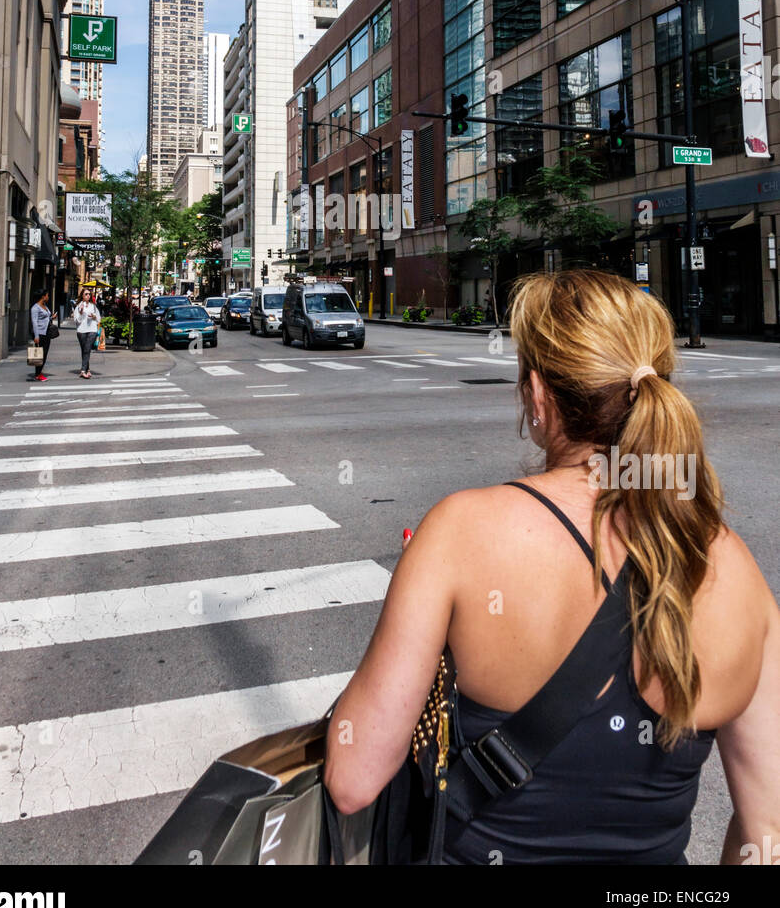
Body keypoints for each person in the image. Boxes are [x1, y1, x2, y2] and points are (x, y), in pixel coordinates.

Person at [324, 269, 779, 865]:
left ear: (539, 396)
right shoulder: (729, 564)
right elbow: (766, 833)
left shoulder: (463, 531)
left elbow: (353, 780)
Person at [72, 286, 101, 379]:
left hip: (92, 329)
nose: (88, 296)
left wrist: (94, 316)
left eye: (89, 294)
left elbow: (98, 319)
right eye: (86, 294)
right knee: (84, 350)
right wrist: (80, 313)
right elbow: (77, 321)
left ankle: (83, 370)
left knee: (87, 349)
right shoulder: (78, 307)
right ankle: (87, 369)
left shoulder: (93, 306)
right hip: (81, 330)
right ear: (82, 296)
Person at [29, 289, 55, 383]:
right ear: (43, 296)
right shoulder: (35, 308)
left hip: (47, 333)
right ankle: (37, 374)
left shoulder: (44, 306)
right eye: (47, 295)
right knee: (39, 355)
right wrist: (36, 336)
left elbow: (46, 317)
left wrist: (52, 318)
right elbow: (34, 322)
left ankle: (39, 373)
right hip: (40, 333)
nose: (48, 297)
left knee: (45, 354)